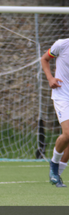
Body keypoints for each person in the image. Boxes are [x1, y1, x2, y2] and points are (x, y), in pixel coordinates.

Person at [41, 39, 69, 188]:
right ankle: (54, 164)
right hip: (62, 96)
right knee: (68, 133)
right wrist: (50, 78)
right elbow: (44, 59)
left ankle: (57, 174)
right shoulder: (62, 45)